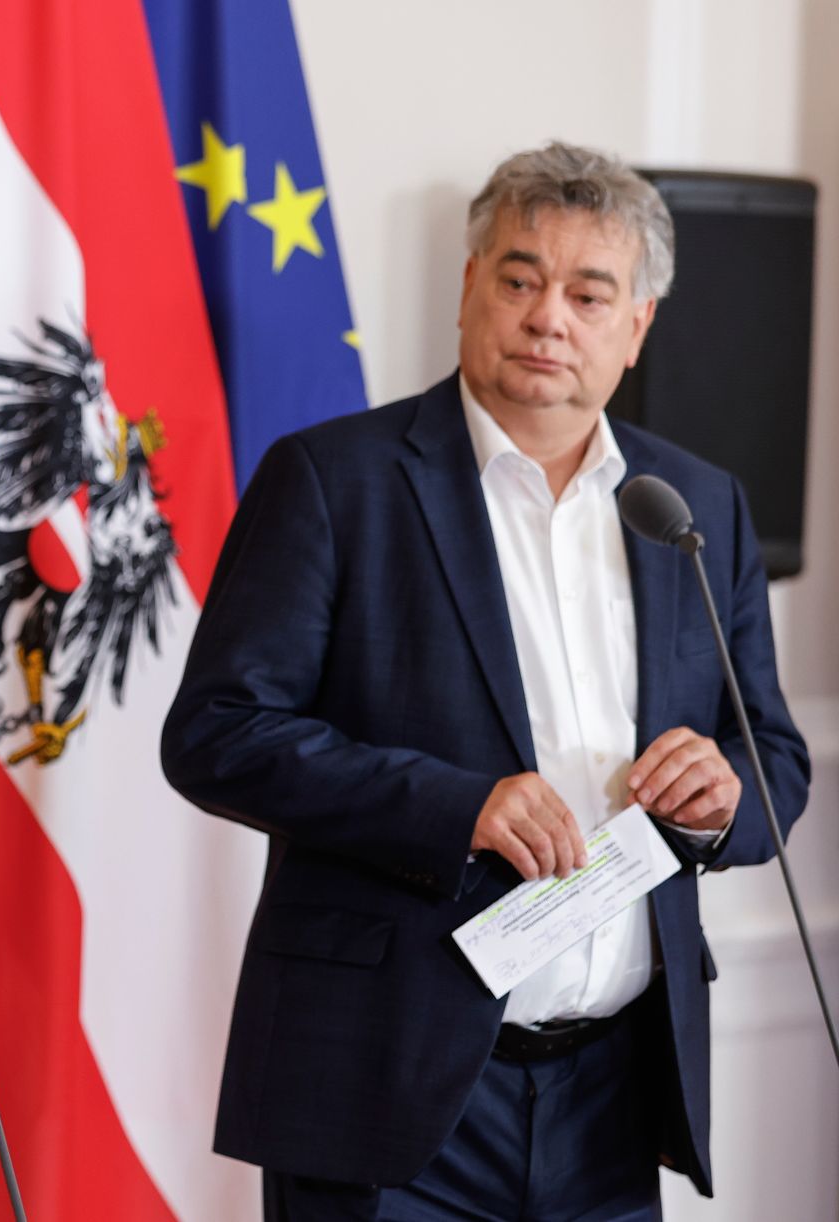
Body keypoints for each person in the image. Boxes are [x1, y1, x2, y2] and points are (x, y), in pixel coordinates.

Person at [162, 142, 808, 1219]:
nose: (546, 316)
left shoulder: (693, 504)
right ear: (469, 289)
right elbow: (216, 733)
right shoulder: (332, 480)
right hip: (386, 1087)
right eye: (518, 279)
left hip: (612, 1091)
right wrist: (455, 805)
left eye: (587, 292)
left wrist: (726, 797)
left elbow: (772, 755)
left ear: (636, 323)